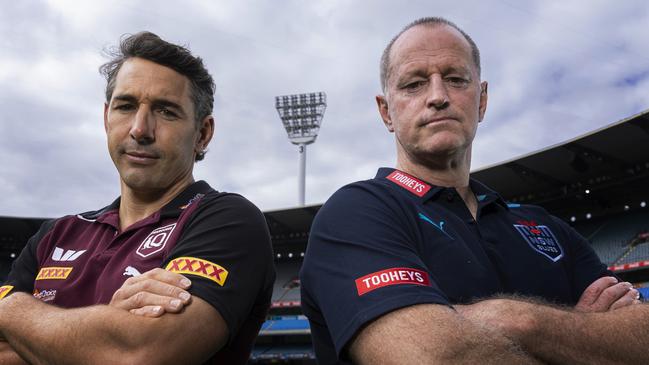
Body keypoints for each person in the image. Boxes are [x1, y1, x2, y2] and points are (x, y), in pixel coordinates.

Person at [300, 17, 646, 364]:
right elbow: (436, 357)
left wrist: (514, 321)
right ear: (386, 111)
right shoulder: (356, 214)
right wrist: (581, 332)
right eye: (414, 84)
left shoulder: (546, 227)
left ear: (481, 100)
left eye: (455, 79)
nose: (437, 96)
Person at [0, 32, 275, 365]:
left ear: (202, 134)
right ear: (106, 118)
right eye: (126, 106)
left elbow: (136, 354)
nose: (140, 129)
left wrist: (11, 308)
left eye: (166, 111)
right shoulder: (55, 234)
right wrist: (107, 325)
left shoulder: (228, 220)